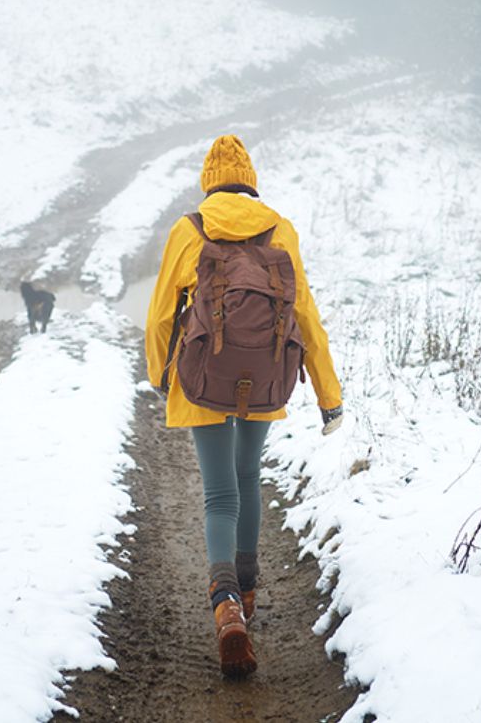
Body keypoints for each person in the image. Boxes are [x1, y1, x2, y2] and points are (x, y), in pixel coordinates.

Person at [145, 134, 344, 679]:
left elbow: (160, 316)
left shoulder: (189, 230)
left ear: (209, 182)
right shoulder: (280, 229)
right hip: (264, 374)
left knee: (219, 494)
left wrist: (162, 376)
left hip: (203, 376)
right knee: (248, 476)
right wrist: (328, 396)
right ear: (251, 182)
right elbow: (306, 316)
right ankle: (249, 593)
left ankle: (226, 605)